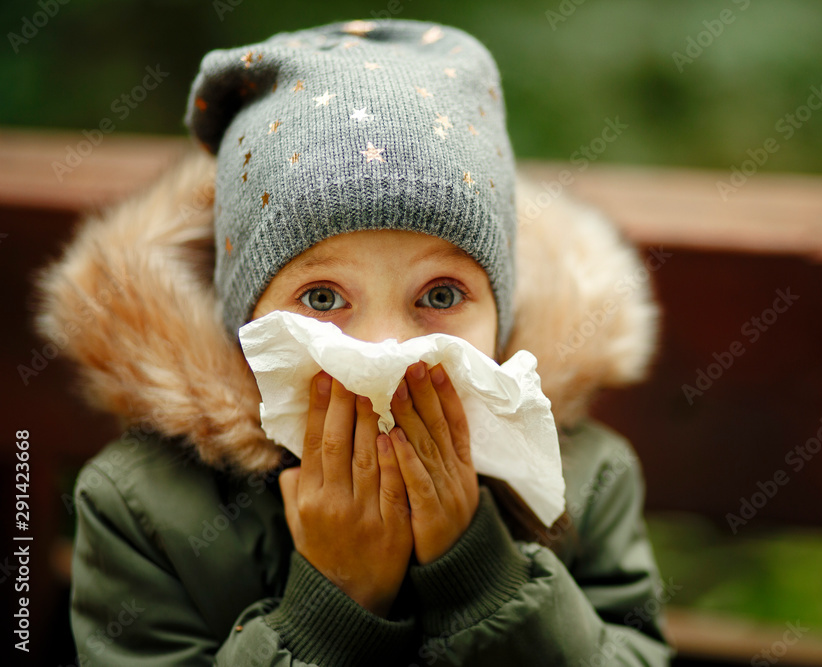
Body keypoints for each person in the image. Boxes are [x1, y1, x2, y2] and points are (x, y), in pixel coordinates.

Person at [34, 18, 672, 666]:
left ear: (501, 314)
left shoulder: (583, 480)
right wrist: (333, 603)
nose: (386, 347)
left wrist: (479, 570)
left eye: (441, 295)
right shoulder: (142, 510)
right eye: (322, 298)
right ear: (244, 315)